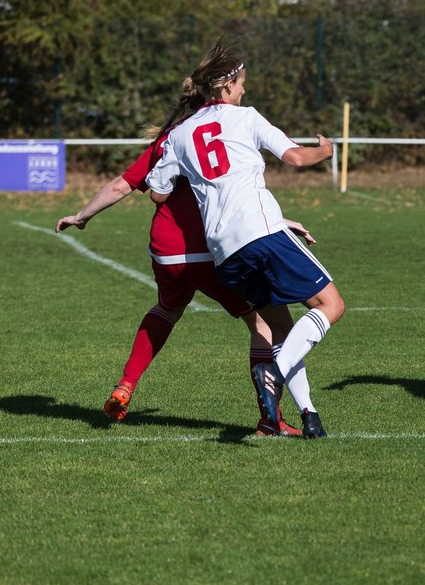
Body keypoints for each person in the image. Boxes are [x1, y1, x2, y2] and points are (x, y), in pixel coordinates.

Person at [55, 113, 316, 438]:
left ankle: (126, 384)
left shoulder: (167, 141)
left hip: (166, 251)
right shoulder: (218, 132)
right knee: (261, 323)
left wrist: (82, 216)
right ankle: (269, 419)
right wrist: (276, 224)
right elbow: (234, 194)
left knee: (167, 308)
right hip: (212, 250)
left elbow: (122, 185)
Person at [145, 37, 344, 439]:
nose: (245, 90)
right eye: (241, 84)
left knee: (283, 331)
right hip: (262, 232)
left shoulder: (181, 135)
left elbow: (158, 192)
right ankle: (273, 371)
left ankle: (309, 416)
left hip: (225, 252)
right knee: (331, 305)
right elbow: (295, 157)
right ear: (227, 86)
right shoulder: (246, 117)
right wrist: (326, 151)